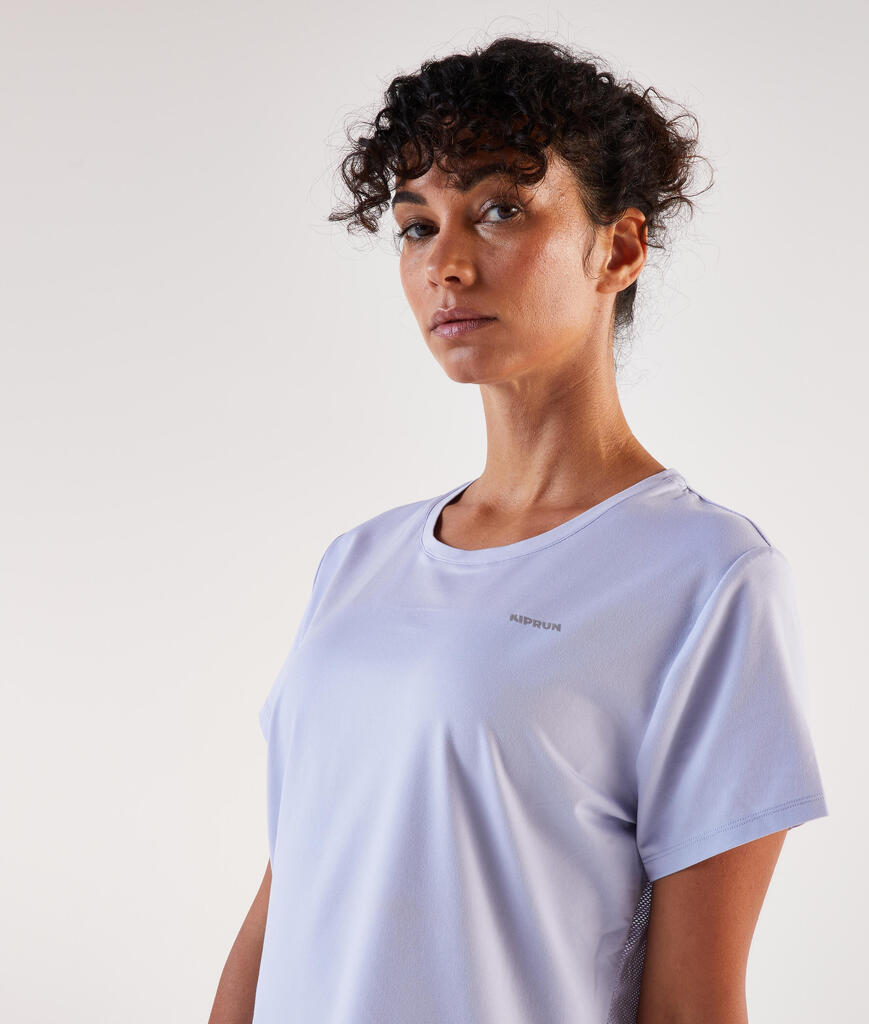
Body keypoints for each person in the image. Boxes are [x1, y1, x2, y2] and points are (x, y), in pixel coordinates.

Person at [208, 35, 829, 1024]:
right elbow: (284, 907)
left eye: (500, 210)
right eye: (416, 226)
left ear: (618, 249)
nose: (446, 264)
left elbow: (692, 1001)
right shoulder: (359, 562)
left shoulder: (705, 577)